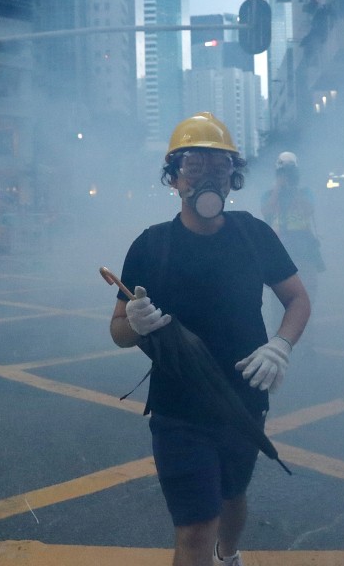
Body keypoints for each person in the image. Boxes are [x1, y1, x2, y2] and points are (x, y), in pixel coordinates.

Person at [109, 112, 311, 566]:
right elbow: (118, 330)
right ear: (174, 178)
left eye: (218, 166)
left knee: (232, 499)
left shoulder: (253, 235)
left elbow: (297, 299)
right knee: (196, 528)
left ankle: (230, 553)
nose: (207, 176)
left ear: (233, 176)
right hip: (177, 409)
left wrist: (280, 346)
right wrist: (135, 323)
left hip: (243, 400)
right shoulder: (150, 245)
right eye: (194, 166)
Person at [261, 151, 323, 334]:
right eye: (283, 172)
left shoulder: (305, 192)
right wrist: (278, 189)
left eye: (290, 172)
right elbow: (267, 211)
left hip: (305, 252)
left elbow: (308, 210)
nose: (286, 176)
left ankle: (306, 340)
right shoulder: (270, 194)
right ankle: (278, 338)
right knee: (278, 301)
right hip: (281, 251)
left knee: (308, 296)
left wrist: (293, 188)